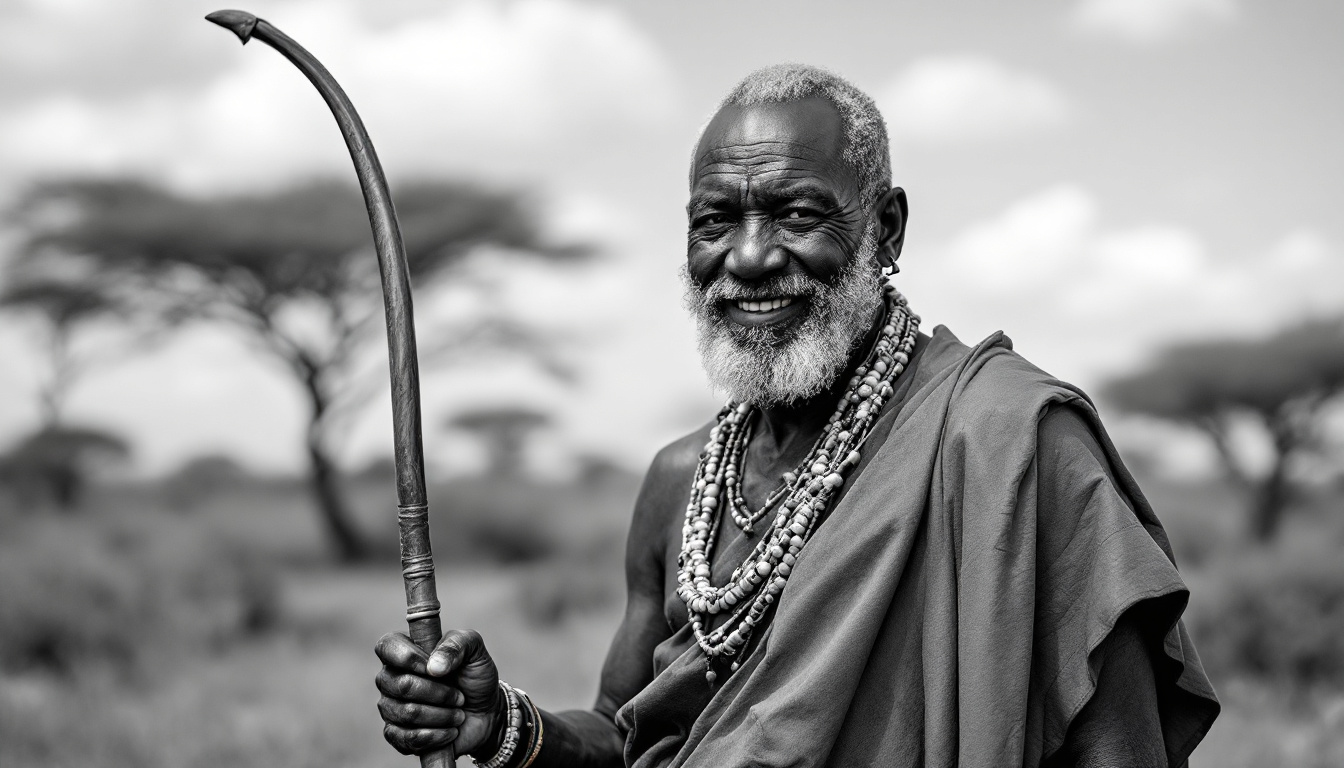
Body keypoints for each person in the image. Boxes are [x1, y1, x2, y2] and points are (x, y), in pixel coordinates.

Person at [373, 64, 1220, 768]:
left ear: (885, 230)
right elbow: (627, 733)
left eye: (795, 213)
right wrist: (502, 727)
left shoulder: (1007, 441)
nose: (746, 257)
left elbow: (1117, 749)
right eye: (716, 222)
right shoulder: (680, 479)